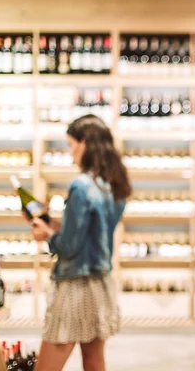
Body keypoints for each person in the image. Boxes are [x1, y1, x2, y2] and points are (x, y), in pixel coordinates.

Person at [30, 114, 131, 371]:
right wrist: (56, 226)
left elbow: (68, 246)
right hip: (100, 283)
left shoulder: (81, 185)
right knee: (94, 362)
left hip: (74, 287)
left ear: (83, 143)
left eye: (70, 144)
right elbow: (91, 233)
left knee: (47, 366)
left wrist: (47, 235)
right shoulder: (113, 183)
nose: (70, 151)